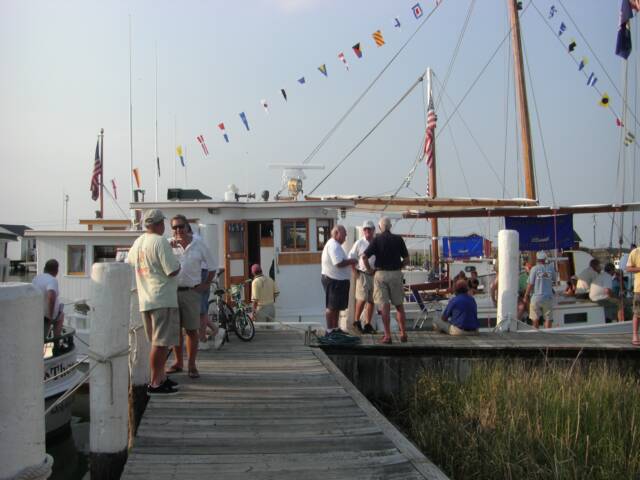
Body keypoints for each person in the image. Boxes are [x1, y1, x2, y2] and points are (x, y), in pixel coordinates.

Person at [128, 209, 181, 395]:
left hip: (146, 299)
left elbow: (129, 261)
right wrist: (178, 259)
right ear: (159, 224)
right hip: (162, 298)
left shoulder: (138, 242)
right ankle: (156, 382)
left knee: (157, 343)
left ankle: (161, 378)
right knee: (161, 344)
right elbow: (172, 270)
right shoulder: (159, 241)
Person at [166, 214, 215, 379]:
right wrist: (168, 249)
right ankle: (178, 363)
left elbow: (212, 267)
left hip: (191, 292)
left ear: (187, 227)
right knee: (175, 331)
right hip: (172, 293)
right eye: (174, 227)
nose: (178, 230)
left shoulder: (199, 244)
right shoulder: (167, 244)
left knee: (192, 331)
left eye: (181, 226)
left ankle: (192, 366)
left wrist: (205, 285)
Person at [363, 216, 409, 344]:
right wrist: (399, 267)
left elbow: (364, 257)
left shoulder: (377, 240)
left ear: (379, 227)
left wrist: (369, 270)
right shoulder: (398, 239)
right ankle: (403, 333)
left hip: (381, 274)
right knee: (399, 305)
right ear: (390, 227)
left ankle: (387, 336)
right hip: (395, 273)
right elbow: (406, 260)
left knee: (384, 306)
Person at [321, 225, 357, 335]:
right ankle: (330, 330)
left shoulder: (336, 245)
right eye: (344, 233)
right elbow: (338, 263)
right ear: (337, 233)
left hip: (338, 280)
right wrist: (352, 261)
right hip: (333, 280)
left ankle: (335, 328)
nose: (346, 236)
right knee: (331, 306)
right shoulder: (333, 245)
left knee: (336, 306)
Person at [348, 220, 377, 334]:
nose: (367, 231)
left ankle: (368, 324)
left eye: (369, 229)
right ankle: (356, 321)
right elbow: (351, 257)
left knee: (371, 300)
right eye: (365, 229)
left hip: (374, 274)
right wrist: (354, 271)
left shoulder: (376, 242)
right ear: (363, 231)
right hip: (363, 274)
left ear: (373, 230)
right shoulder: (359, 243)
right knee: (361, 298)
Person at [32, 259, 65, 343]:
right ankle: (56, 343)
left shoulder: (36, 278)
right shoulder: (52, 280)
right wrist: (50, 316)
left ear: (44, 268)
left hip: (37, 313)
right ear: (56, 270)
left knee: (38, 338)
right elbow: (51, 297)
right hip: (47, 316)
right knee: (61, 316)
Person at [524, 250, 555, 329]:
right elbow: (554, 279)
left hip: (536, 297)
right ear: (545, 259)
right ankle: (548, 335)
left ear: (537, 259)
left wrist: (526, 295)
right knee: (548, 319)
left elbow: (530, 284)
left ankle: (536, 334)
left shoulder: (534, 269)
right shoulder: (551, 268)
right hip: (548, 297)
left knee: (535, 318)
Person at [624, 244, 640, 345]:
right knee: (637, 314)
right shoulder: (636, 252)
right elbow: (628, 268)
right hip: (639, 289)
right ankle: (635, 335)